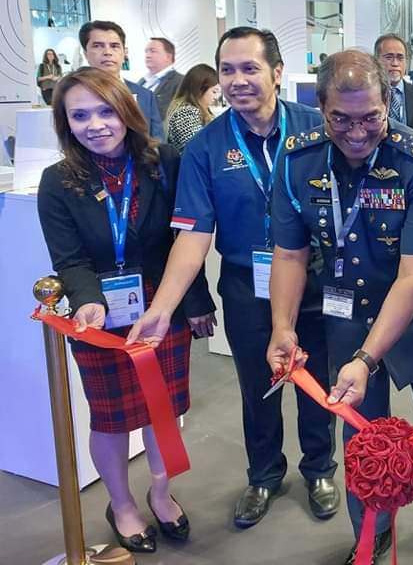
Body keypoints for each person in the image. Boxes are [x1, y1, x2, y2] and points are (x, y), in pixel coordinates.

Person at [126, 27, 340, 529]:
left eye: (250, 68)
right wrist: (162, 308)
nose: (238, 80)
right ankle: (264, 475)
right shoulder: (205, 146)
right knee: (256, 385)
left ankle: (319, 469)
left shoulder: (318, 129)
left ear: (277, 73)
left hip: (315, 282)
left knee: (318, 381)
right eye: (228, 70)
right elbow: (193, 237)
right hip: (248, 286)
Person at [267, 50, 413, 565]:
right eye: (341, 119)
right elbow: (290, 254)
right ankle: (371, 530)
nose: (357, 132)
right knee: (361, 432)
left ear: (388, 103)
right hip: (347, 308)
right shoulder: (297, 160)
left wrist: (368, 357)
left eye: (370, 118)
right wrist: (282, 327)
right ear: (321, 107)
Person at [36, 67, 216, 554]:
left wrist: (195, 302)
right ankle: (121, 504)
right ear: (65, 123)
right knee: (112, 417)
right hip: (97, 316)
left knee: (164, 411)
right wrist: (89, 301)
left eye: (104, 110)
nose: (94, 124)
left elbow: (188, 238)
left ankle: (160, 492)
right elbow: (69, 259)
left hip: (162, 304)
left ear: (126, 111)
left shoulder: (165, 161)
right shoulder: (58, 182)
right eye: (79, 115)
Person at [80, 21, 164, 139]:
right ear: (86, 54)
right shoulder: (76, 96)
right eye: (98, 46)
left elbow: (157, 142)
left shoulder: (145, 96)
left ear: (124, 53)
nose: (107, 52)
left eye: (114, 46)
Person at [166, 64, 221, 153]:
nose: (216, 97)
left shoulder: (199, 111)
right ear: (200, 89)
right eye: (214, 92)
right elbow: (199, 148)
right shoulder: (185, 113)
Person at [139, 37, 183, 120]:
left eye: (153, 51)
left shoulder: (180, 82)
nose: (147, 55)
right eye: (146, 51)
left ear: (168, 56)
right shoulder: (141, 82)